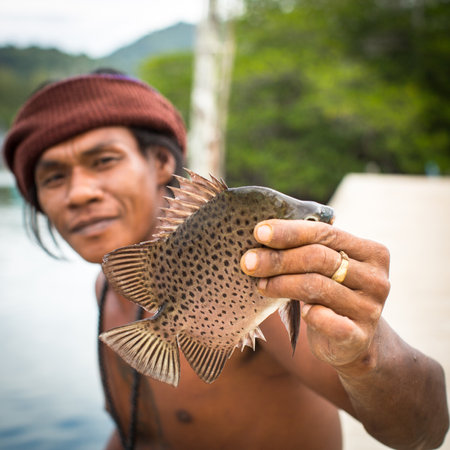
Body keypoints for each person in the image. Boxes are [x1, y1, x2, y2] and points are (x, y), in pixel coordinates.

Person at [3, 70, 448, 450]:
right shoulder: (105, 290)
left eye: (103, 160)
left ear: (160, 162)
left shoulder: (253, 286)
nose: (80, 192)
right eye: (54, 176)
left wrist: (363, 353)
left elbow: (422, 429)